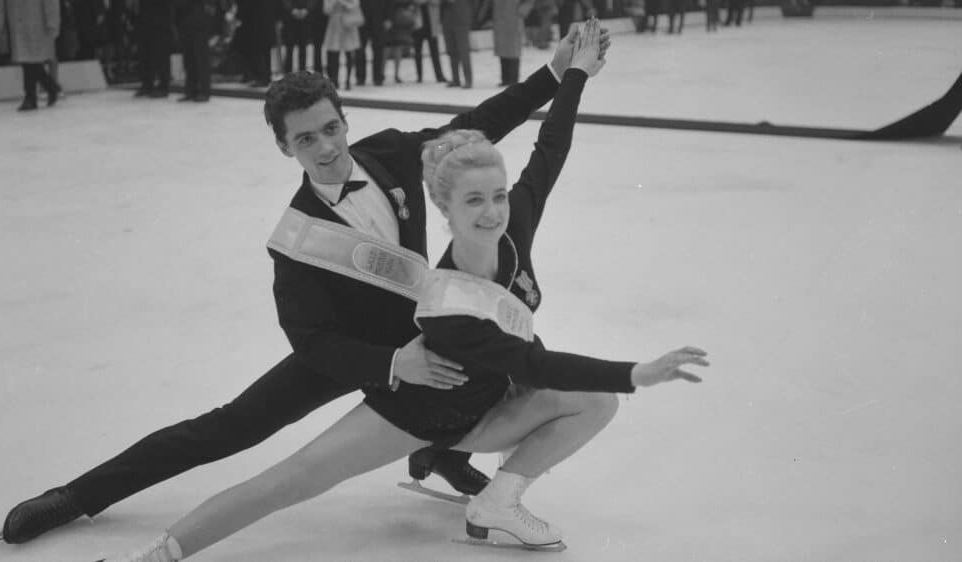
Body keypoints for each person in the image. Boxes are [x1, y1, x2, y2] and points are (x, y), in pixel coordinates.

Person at [97, 19, 708, 561]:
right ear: (443, 205)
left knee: (595, 403)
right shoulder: (445, 305)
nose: (493, 212)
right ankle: (156, 553)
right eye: (475, 201)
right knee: (291, 479)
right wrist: (639, 371)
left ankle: (499, 500)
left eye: (498, 195)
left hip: (483, 395)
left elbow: (551, 149)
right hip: (423, 407)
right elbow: (532, 360)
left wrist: (572, 72)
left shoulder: (514, 218)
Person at [0, 0, 62, 111]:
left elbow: (51, 3)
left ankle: (32, 96)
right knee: (28, 61)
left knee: (30, 61)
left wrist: (53, 23)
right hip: (17, 23)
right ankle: (48, 88)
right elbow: (2, 4)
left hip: (37, 23)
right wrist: (0, 24)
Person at [133, 0, 173, 98]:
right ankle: (147, 84)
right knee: (145, 55)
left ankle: (164, 86)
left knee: (161, 55)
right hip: (144, 21)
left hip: (161, 23)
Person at [175, 0, 213, 102]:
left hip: (198, 22)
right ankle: (191, 90)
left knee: (201, 58)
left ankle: (204, 91)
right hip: (184, 22)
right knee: (189, 59)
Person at [322, 0, 361, 90]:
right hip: (335, 24)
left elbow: (355, 4)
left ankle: (348, 81)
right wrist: (334, 4)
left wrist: (344, 3)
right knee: (334, 55)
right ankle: (334, 80)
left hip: (348, 24)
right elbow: (326, 10)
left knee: (349, 54)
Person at [492, 0, 526, 86]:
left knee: (513, 51)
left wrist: (522, 11)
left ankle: (513, 79)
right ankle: (505, 79)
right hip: (500, 20)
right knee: (502, 50)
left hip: (514, 20)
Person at [411, 0, 446, 83]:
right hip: (418, 25)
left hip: (431, 24)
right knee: (417, 52)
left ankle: (439, 76)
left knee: (435, 52)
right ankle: (419, 76)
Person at [441, 0, 472, 88]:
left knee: (463, 50)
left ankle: (468, 80)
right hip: (447, 18)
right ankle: (455, 79)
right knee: (451, 50)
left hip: (461, 16)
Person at [385, 0, 416, 83]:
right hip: (390, 18)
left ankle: (396, 74)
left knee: (397, 46)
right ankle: (382, 73)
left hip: (399, 19)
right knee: (387, 46)